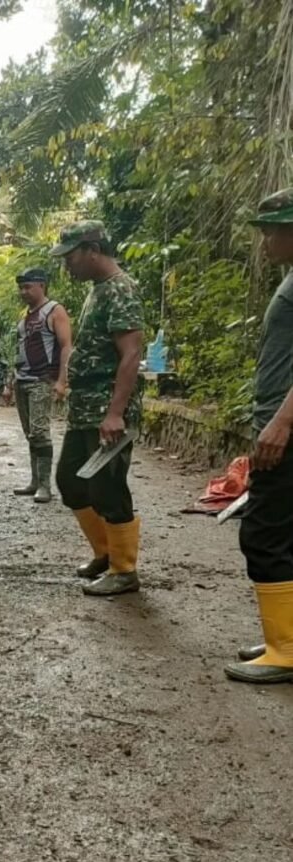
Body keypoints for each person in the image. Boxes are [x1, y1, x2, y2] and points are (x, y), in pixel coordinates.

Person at [50, 221, 145, 596]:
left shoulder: (121, 289)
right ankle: (105, 553)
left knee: (108, 488)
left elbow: (131, 354)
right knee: (70, 482)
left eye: (70, 257)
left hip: (107, 412)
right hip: (85, 410)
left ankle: (125, 570)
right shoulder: (97, 290)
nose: (67, 266)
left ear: (92, 250)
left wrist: (116, 413)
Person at [226, 188, 293, 683]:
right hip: (280, 423)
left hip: (287, 429)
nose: (266, 239)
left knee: (264, 533)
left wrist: (283, 421)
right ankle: (284, 636)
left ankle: (285, 650)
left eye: (273, 228)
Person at [12, 267, 72, 503]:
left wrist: (61, 381)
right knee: (30, 434)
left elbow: (67, 346)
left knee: (39, 431)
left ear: (42, 286)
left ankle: (45, 485)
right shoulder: (26, 316)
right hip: (22, 379)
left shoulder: (54, 311)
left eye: (28, 287)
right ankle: (35, 481)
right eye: (21, 288)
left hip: (42, 380)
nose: (23, 292)